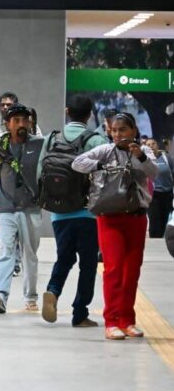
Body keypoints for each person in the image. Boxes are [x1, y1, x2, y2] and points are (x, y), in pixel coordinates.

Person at [73, 112, 157, 340]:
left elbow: (154, 172)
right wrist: (99, 165)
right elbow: (77, 163)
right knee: (114, 269)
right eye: (114, 130)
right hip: (109, 218)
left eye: (123, 130)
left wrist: (140, 156)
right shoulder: (105, 150)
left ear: (133, 131)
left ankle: (127, 320)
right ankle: (111, 321)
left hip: (137, 218)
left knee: (132, 272)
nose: (118, 134)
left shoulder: (143, 151)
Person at [38, 95, 105, 327]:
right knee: (88, 264)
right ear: (89, 115)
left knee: (64, 258)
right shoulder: (96, 140)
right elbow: (103, 178)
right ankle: (80, 313)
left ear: (67, 111)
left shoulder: (51, 138)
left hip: (59, 213)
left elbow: (40, 173)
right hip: (88, 213)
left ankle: (53, 291)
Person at [0, 104, 45, 314]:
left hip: (31, 208)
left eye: (24, 120)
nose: (21, 124)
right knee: (5, 251)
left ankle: (30, 298)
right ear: (7, 124)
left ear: (30, 123)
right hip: (6, 207)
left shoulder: (39, 145)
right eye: (16, 120)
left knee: (30, 254)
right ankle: (0, 296)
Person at [145, 138, 174, 238]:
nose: (151, 146)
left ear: (157, 146)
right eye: (148, 145)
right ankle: (154, 246)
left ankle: (159, 246)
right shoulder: (144, 160)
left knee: (163, 221)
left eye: (153, 144)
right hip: (154, 196)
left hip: (167, 194)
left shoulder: (166, 158)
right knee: (155, 223)